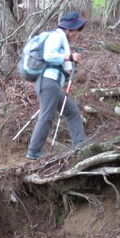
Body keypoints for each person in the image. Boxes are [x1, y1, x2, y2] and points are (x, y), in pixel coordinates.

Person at [26, 11, 87, 160]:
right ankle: (33, 152)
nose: (76, 33)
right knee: (47, 116)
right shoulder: (56, 36)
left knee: (72, 110)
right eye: (75, 30)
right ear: (68, 28)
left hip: (50, 83)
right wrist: (70, 57)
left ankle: (80, 144)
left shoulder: (61, 38)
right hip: (48, 82)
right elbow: (49, 55)